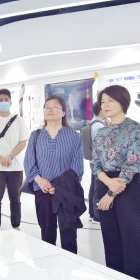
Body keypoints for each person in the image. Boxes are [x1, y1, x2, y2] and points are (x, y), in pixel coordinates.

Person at [92, 85, 140, 280]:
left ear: (123, 102)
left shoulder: (135, 129)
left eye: (110, 100)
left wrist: (111, 193)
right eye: (102, 101)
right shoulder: (100, 133)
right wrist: (107, 184)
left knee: (131, 240)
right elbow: (95, 163)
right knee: (110, 239)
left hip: (128, 187)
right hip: (105, 183)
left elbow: (132, 163)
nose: (105, 105)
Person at [24, 95, 85, 254]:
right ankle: (47, 263)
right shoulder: (35, 135)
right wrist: (39, 180)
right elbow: (29, 162)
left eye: (55, 107)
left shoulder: (74, 136)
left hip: (66, 192)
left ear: (63, 112)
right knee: (47, 233)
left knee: (68, 234)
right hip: (42, 190)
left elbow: (77, 167)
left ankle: (69, 264)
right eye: (47, 107)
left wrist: (58, 186)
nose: (50, 109)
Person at [0, 89, 29, 231]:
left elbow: (23, 142)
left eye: (6, 99)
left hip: (16, 167)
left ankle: (16, 226)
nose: (3, 102)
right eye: (0, 100)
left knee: (15, 199)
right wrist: (0, 158)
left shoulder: (19, 120)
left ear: (11, 102)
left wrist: (10, 157)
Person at [85, 102, 105, 223]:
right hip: (99, 161)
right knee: (98, 187)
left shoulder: (93, 123)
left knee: (94, 186)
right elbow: (100, 146)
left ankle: (92, 213)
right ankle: (97, 216)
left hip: (93, 160)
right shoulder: (99, 126)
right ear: (101, 111)